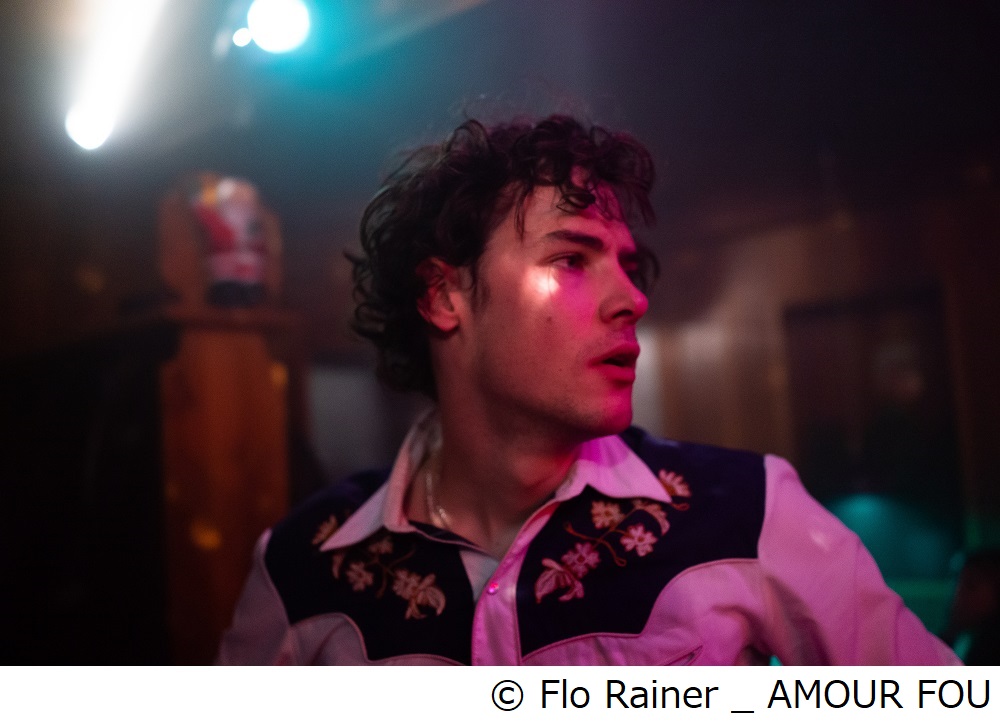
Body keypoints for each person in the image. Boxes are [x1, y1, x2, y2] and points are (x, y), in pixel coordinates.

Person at [217, 115, 960, 665]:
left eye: (627, 266)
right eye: (572, 259)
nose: (632, 298)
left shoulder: (746, 511)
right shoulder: (301, 567)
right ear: (444, 296)